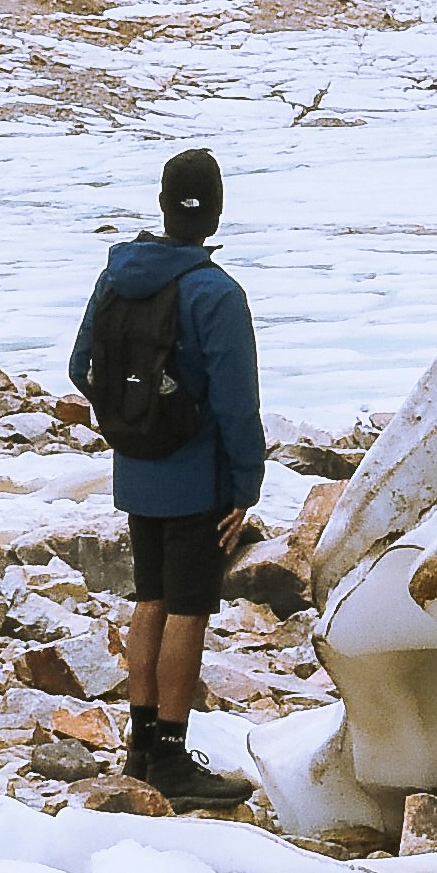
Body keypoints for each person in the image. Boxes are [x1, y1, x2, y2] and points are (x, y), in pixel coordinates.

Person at [70, 145, 262, 812]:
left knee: (149, 599)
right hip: (198, 479)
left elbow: (80, 366)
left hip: (138, 470)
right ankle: (173, 757)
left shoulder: (117, 277)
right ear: (215, 211)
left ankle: (140, 743)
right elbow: (237, 404)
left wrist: (129, 424)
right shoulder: (218, 293)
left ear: (160, 203)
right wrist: (246, 485)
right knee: (189, 609)